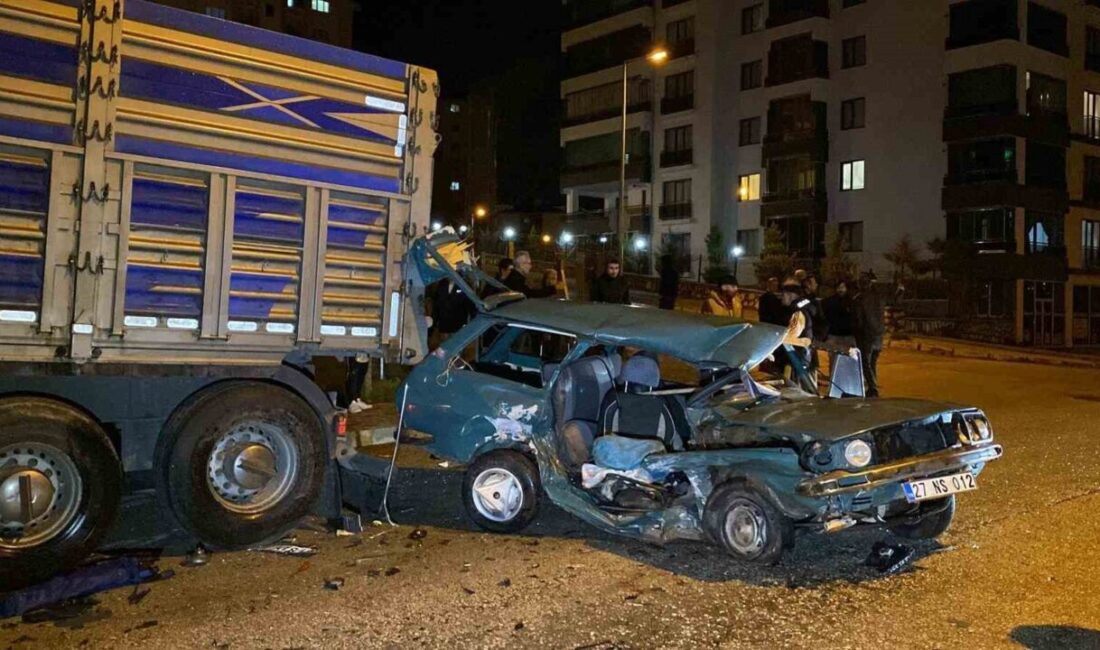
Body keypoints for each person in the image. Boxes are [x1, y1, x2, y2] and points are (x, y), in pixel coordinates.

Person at [853, 272, 886, 397]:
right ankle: (873, 385)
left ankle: (872, 387)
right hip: (879, 334)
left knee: (866, 363)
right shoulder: (879, 297)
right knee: (873, 362)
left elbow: (859, 320)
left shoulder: (859, 299)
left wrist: (856, 333)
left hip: (866, 336)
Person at [429, 278, 476, 348]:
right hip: (444, 325)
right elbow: (436, 307)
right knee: (445, 348)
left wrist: (473, 327)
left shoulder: (463, 284)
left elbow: (470, 306)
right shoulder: (442, 284)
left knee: (457, 348)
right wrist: (431, 327)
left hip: (458, 327)